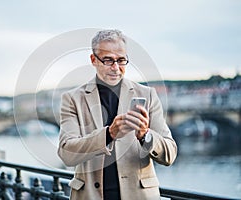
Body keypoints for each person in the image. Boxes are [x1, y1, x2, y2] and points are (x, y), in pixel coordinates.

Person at [57, 29, 177, 200]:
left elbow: (170, 154)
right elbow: (66, 154)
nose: (115, 68)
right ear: (93, 60)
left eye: (121, 60)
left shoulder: (147, 95)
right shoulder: (72, 99)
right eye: (108, 60)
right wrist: (108, 134)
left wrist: (145, 136)